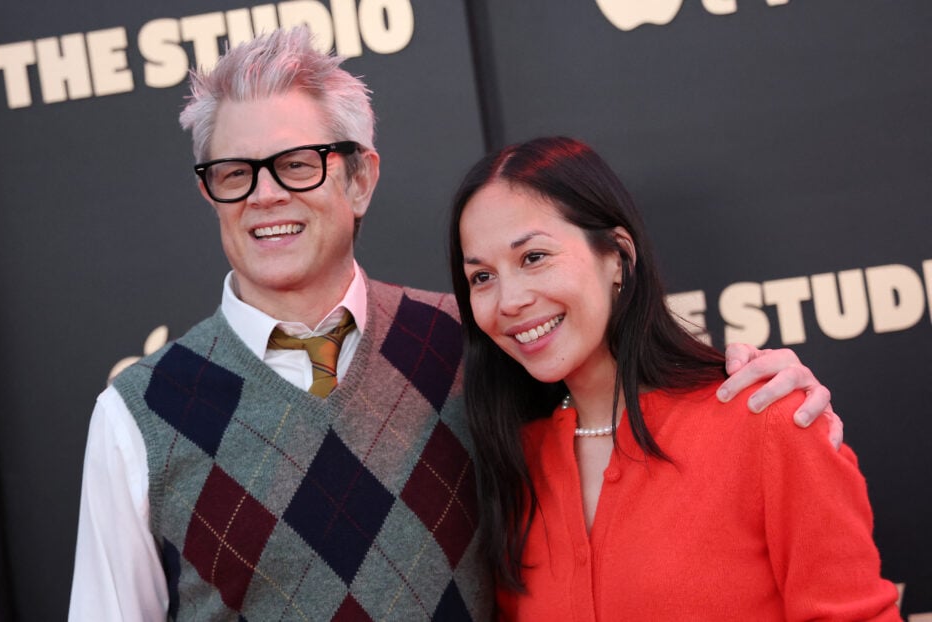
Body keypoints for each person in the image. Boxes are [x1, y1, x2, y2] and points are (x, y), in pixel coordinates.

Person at [69, 29, 841, 621]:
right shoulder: (138, 415)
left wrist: (765, 393)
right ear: (210, 194)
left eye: (298, 163)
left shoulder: (480, 347)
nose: (266, 196)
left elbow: (627, 430)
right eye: (234, 174)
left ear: (360, 177)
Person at [448, 136, 900, 620]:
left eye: (533, 257)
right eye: (482, 277)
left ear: (617, 256)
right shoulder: (513, 464)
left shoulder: (766, 417)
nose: (509, 300)